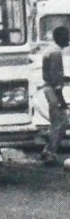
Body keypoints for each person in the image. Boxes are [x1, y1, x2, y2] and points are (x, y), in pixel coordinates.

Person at [40, 26, 70, 167]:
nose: (68, 39)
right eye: (66, 35)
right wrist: (62, 101)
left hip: (48, 88)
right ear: (59, 37)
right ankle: (49, 152)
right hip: (53, 91)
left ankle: (48, 149)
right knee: (61, 123)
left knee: (57, 123)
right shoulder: (56, 53)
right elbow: (55, 79)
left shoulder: (50, 50)